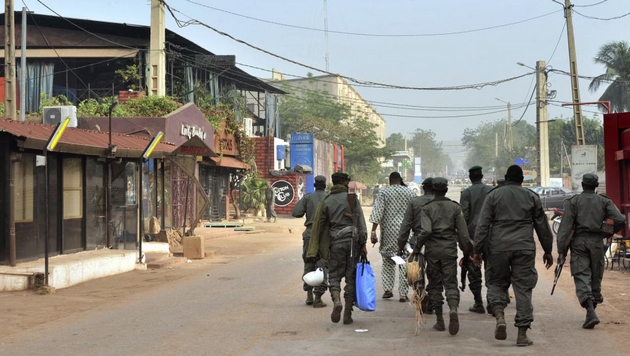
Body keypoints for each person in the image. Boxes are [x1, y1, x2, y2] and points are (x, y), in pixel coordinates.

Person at [473, 165, 553, 347]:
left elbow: (483, 224)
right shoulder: (532, 196)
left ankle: (500, 315)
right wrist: (547, 250)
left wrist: (477, 250)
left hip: (498, 247)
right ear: (521, 180)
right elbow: (542, 225)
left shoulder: (493, 195)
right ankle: (522, 334)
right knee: (523, 288)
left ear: (507, 178)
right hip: (524, 247)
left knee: (496, 282)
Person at [556, 173, 625, 329]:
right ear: (595, 186)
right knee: (595, 275)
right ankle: (590, 312)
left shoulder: (574, 201)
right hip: (596, 242)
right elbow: (620, 219)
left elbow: (565, 228)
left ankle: (590, 311)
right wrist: (609, 232)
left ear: (582, 184)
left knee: (581, 275)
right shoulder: (604, 201)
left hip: (579, 242)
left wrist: (561, 250)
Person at [306, 172, 368, 325]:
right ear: (344, 182)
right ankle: (347, 313)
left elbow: (319, 227)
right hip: (353, 243)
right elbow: (361, 223)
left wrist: (318, 249)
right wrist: (363, 243)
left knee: (333, 276)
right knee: (351, 277)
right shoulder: (352, 199)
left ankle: (336, 301)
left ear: (333, 183)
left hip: (336, 243)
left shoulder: (327, 201)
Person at [413, 178, 471, 335]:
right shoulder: (455, 207)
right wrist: (466, 252)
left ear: (432, 189)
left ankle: (440, 321)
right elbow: (463, 234)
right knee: (451, 283)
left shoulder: (427, 208)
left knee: (435, 286)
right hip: (449, 251)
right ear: (446, 190)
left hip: (433, 252)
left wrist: (417, 247)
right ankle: (453, 310)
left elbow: (425, 231)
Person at [370, 172, 416, 302]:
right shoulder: (410, 193)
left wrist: (373, 231)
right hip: (406, 232)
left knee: (388, 261)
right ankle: (402, 294)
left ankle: (388, 290)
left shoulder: (384, 193)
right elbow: (416, 212)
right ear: (400, 180)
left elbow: (377, 212)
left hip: (389, 232)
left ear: (390, 180)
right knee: (403, 261)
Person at [397, 177, 435, 313]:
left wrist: (400, 245)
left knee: (416, 274)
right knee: (435, 273)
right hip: (437, 243)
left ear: (423, 188)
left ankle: (421, 295)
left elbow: (406, 226)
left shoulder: (415, 202)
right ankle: (432, 297)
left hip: (417, 243)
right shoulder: (442, 203)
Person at [459, 166, 492, 313]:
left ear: (470, 177)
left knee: (474, 269)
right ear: (482, 176)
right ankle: (492, 302)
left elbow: (464, 216)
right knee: (492, 269)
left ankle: (478, 302)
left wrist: (463, 239)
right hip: (491, 235)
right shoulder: (491, 190)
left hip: (473, 236)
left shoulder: (466, 193)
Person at [292, 175, 329, 308]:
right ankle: (318, 297)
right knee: (323, 265)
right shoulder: (329, 198)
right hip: (325, 236)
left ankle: (309, 296)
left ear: (314, 186)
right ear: (325, 185)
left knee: (309, 263)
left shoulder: (308, 197)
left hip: (309, 234)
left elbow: (296, 212)